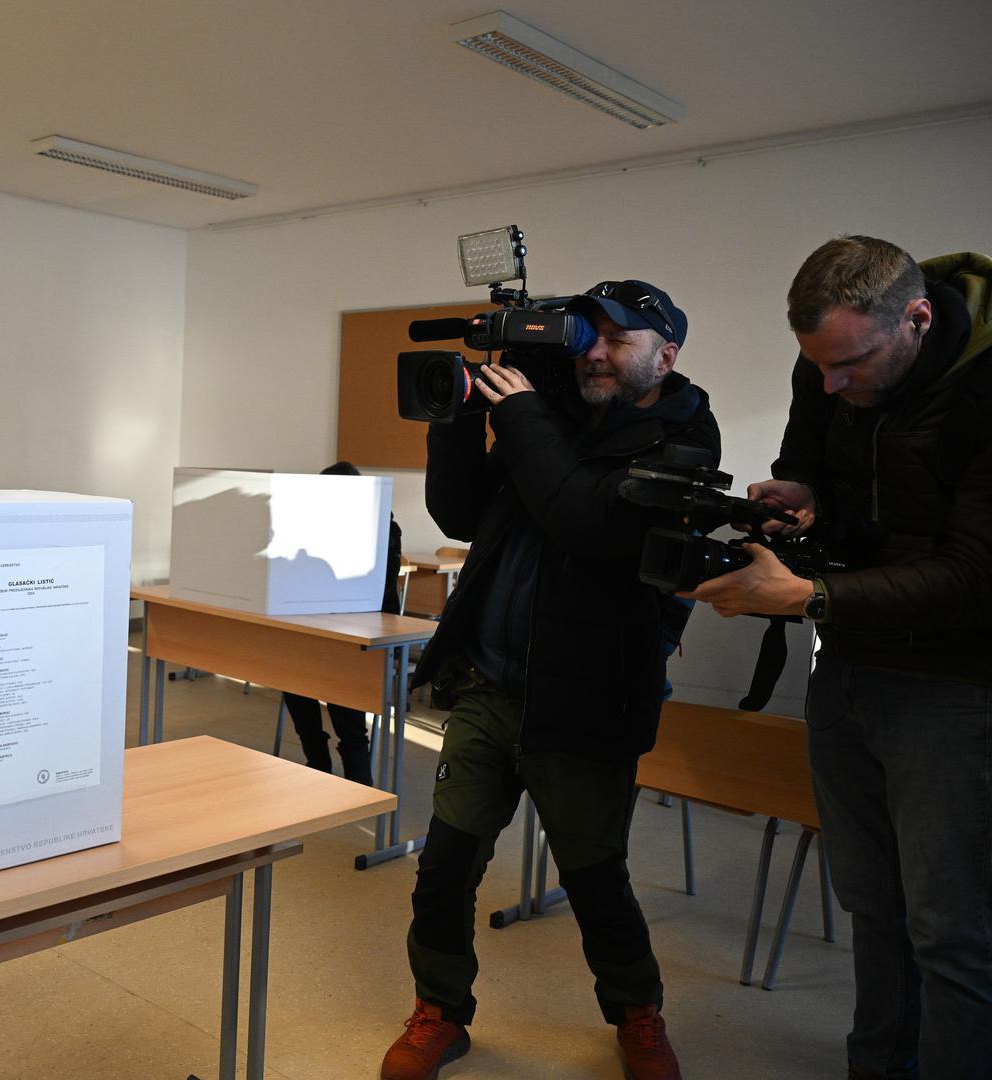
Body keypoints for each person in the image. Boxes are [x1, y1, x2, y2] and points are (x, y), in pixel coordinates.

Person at [688, 236, 992, 1080]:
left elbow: (983, 577)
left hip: (959, 683)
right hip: (847, 664)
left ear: (916, 319)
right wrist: (800, 496)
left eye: (850, 365)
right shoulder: (826, 365)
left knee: (948, 929)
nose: (831, 387)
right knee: (871, 907)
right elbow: (812, 467)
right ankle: (877, 1067)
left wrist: (808, 599)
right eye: (817, 369)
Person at [381, 281, 718, 1080]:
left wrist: (523, 416)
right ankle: (439, 1011)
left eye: (618, 340)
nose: (593, 353)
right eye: (585, 335)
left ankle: (637, 1014)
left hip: (588, 699)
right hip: (489, 687)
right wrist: (463, 414)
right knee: (443, 871)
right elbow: (464, 515)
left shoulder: (680, 436)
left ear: (664, 356)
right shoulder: (553, 410)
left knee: (595, 881)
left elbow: (591, 522)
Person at [280, 460, 402, 785]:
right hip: (317, 625)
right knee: (292, 679)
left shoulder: (383, 527)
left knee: (344, 700)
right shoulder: (312, 528)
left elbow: (379, 588)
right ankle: (317, 760)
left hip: (363, 631)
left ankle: (358, 779)